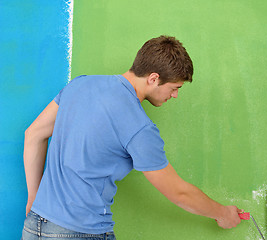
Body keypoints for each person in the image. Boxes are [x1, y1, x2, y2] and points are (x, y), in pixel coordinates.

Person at [22, 35, 243, 240]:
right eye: (175, 88)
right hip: (80, 232)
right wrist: (223, 213)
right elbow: (178, 192)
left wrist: (34, 199)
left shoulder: (80, 84)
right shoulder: (139, 127)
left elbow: (34, 134)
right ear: (154, 78)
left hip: (34, 226)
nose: (175, 95)